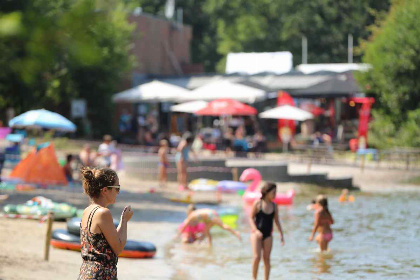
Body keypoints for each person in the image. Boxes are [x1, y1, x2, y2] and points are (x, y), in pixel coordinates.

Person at [78, 167, 133, 280]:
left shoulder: (87, 211)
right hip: (101, 274)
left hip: (86, 273)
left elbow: (108, 242)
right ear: (105, 191)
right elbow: (117, 248)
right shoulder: (103, 213)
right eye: (117, 188)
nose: (118, 192)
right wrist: (124, 221)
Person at [249, 182, 285, 280]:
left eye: (276, 192)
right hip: (256, 234)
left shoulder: (274, 206)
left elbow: (277, 221)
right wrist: (255, 230)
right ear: (267, 192)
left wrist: (281, 235)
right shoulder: (258, 203)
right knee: (257, 257)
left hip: (268, 235)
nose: (275, 194)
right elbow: (251, 218)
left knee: (267, 259)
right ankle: (254, 278)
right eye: (273, 192)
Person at [177, 204, 241, 247]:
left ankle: (236, 232)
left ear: (189, 212)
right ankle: (210, 245)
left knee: (222, 226)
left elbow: (184, 225)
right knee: (206, 231)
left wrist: (177, 235)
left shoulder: (192, 215)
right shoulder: (196, 213)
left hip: (211, 215)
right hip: (209, 216)